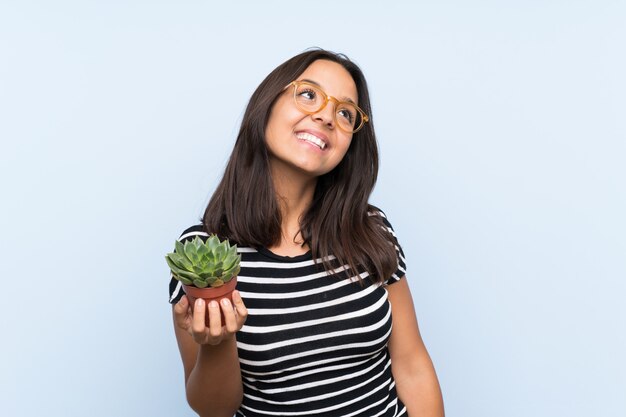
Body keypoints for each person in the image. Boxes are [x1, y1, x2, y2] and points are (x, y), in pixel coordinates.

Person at [168, 48, 444, 417]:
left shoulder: (371, 229)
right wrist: (217, 345)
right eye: (309, 94)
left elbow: (412, 365)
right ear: (266, 104)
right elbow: (213, 409)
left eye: (345, 113)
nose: (326, 116)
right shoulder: (202, 255)